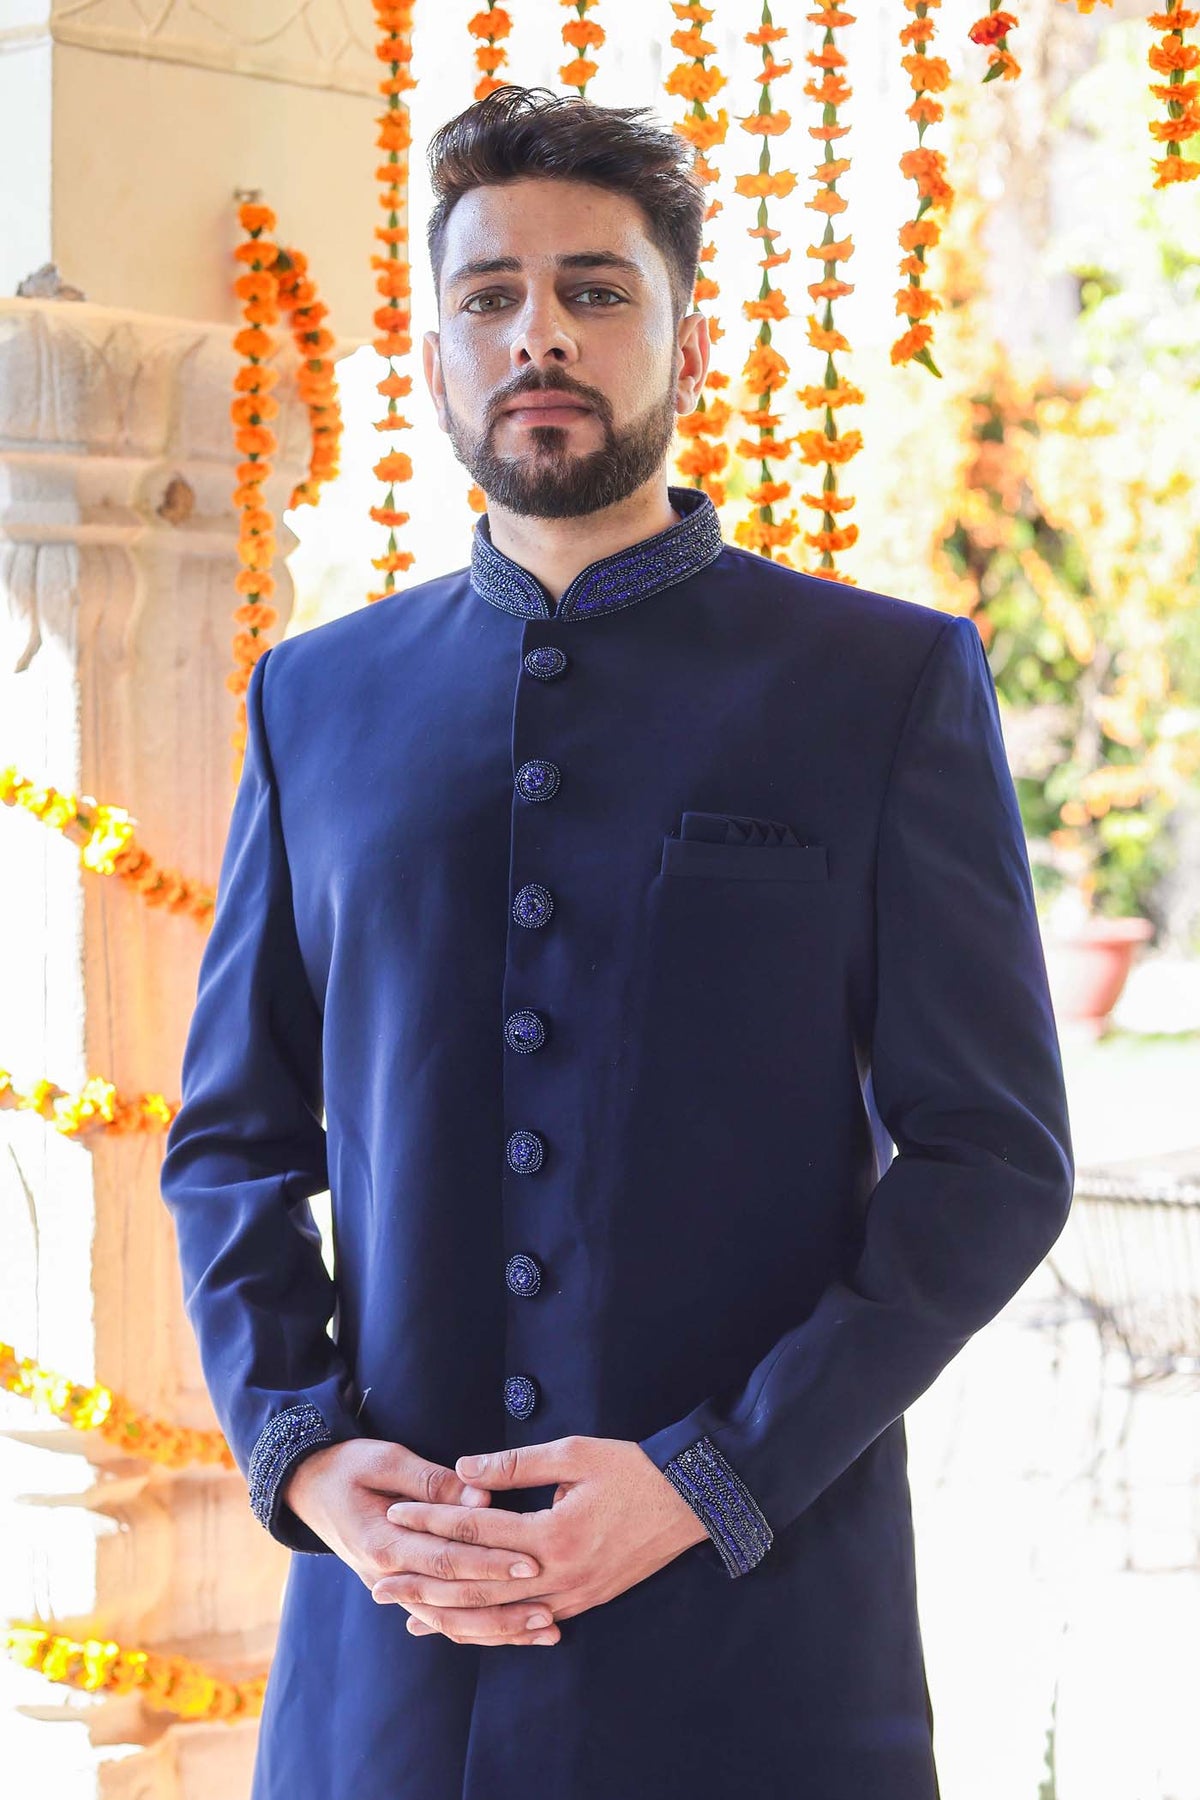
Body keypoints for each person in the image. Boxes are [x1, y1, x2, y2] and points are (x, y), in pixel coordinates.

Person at [160, 83, 1075, 1800]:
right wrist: (306, 1456)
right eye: (490, 296)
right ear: (436, 359)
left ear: (689, 342)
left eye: (596, 289)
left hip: (758, 1644)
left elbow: (993, 1159)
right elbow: (233, 1143)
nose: (541, 335)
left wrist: (713, 1476)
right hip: (395, 1656)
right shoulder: (315, 703)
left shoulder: (878, 687)